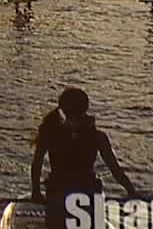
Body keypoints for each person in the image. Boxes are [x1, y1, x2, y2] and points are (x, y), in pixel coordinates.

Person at [31, 87, 138, 229]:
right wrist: (131, 191)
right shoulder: (98, 136)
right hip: (88, 195)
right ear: (86, 108)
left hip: (58, 193)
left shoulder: (50, 133)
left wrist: (36, 192)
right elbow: (115, 169)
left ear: (62, 108)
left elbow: (36, 164)